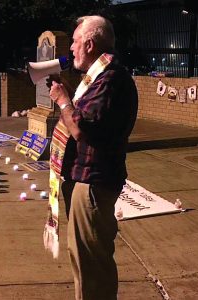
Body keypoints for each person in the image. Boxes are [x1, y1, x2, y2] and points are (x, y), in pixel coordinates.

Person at [49, 15, 138, 300]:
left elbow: (80, 127)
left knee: (92, 264)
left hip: (93, 183)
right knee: (85, 259)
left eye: (75, 42)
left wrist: (63, 100)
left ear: (89, 44)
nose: (71, 49)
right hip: (86, 179)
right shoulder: (98, 79)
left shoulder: (110, 79)